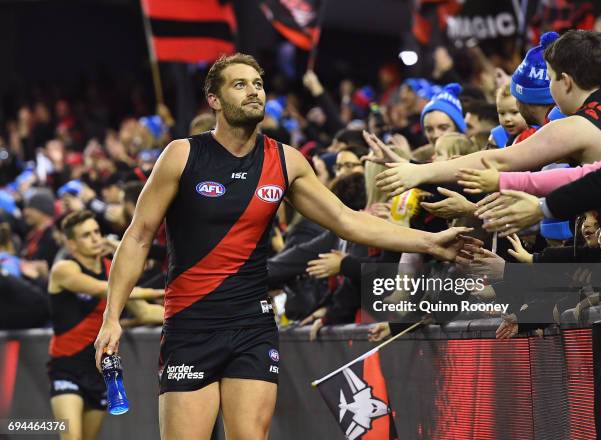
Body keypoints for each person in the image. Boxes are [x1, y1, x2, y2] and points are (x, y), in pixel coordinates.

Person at [93, 53, 479, 440]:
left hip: (252, 325)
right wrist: (112, 316)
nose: (253, 91)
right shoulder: (182, 155)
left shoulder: (285, 161)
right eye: (239, 84)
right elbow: (139, 236)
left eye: (257, 84)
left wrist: (430, 241)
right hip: (191, 324)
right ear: (213, 99)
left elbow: (347, 220)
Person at [371, 30, 601, 196]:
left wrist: (419, 171)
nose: (550, 88)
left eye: (550, 79)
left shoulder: (577, 126)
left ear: (566, 82)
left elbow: (499, 160)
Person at [48, 210, 163, 440]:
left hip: (99, 369)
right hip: (66, 368)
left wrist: (182, 310)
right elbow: (103, 289)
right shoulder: (64, 270)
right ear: (71, 243)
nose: (95, 238)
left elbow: (146, 311)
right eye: (86, 235)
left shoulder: (112, 267)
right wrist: (162, 291)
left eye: (97, 232)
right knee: (71, 437)